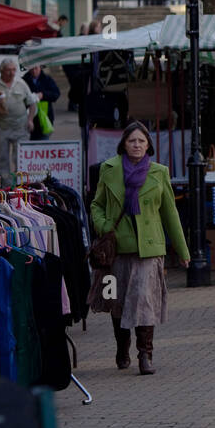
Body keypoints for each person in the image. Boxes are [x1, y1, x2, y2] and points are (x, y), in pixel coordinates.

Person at [90, 121, 190, 375]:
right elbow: (96, 204)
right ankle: (122, 349)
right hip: (115, 251)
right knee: (116, 301)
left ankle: (145, 355)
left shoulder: (159, 172)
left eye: (141, 141)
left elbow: (170, 214)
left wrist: (183, 251)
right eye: (132, 141)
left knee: (144, 301)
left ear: (149, 145)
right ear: (124, 143)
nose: (137, 145)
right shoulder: (109, 169)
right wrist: (103, 225)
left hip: (149, 250)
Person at [0, 58, 36, 183]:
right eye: (8, 70)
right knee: (1, 160)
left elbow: (32, 104)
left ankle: (20, 186)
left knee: (21, 159)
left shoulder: (21, 83)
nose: (12, 73)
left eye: (13, 70)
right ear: (1, 71)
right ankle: (7, 188)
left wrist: (30, 120)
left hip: (20, 127)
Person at [23, 64, 61, 141]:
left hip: (45, 119)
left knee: (42, 146)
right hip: (28, 120)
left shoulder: (47, 79)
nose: (34, 71)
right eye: (31, 69)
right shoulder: (24, 81)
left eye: (36, 68)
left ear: (40, 67)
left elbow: (56, 94)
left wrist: (43, 95)